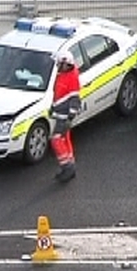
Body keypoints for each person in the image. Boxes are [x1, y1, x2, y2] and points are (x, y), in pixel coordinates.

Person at [50, 50, 81, 183]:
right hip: (61, 115)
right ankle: (70, 166)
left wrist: (70, 117)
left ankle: (67, 167)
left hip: (64, 117)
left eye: (59, 63)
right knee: (65, 140)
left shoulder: (71, 78)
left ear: (65, 63)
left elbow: (75, 100)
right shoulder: (64, 74)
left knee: (56, 140)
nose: (57, 65)